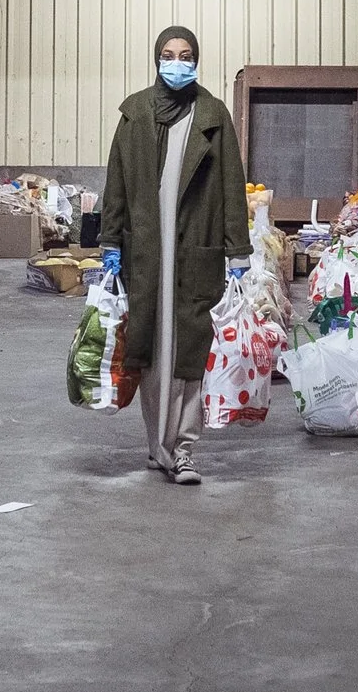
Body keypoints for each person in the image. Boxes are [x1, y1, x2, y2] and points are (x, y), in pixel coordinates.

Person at [101, 27, 250, 485]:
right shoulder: (134, 114)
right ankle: (156, 446)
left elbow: (229, 186)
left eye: (186, 55)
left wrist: (237, 249)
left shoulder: (212, 115)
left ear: (198, 59)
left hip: (194, 249)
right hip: (146, 249)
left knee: (188, 351)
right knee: (149, 351)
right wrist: (109, 244)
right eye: (168, 55)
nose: (177, 63)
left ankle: (183, 450)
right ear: (156, 59)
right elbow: (117, 184)